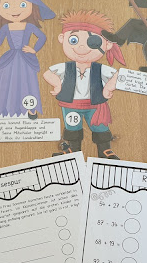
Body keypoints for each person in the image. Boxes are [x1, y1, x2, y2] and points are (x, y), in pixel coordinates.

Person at [43, 10, 125, 159]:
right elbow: (48, 74)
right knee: (72, 128)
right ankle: (72, 151)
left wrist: (108, 87)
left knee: (100, 127)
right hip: (70, 104)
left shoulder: (99, 68)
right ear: (62, 38)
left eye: (92, 42)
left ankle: (105, 150)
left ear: (107, 44)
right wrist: (57, 85)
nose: (82, 47)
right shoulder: (66, 67)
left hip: (95, 105)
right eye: (74, 40)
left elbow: (118, 76)